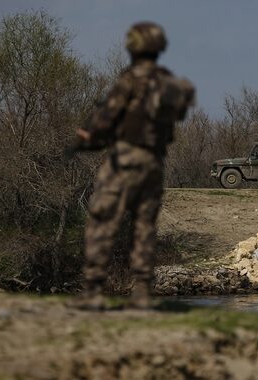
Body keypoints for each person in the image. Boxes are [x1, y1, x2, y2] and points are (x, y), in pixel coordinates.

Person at [73, 21, 194, 309]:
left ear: (133, 46)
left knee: (103, 218)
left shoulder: (130, 80)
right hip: (154, 163)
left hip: (125, 158)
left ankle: (93, 290)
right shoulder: (168, 83)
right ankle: (141, 292)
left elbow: (106, 119)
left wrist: (90, 135)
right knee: (144, 227)